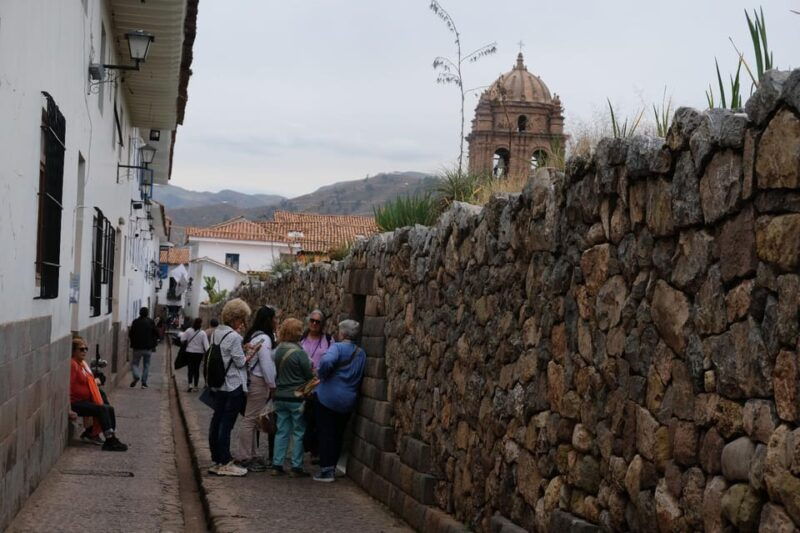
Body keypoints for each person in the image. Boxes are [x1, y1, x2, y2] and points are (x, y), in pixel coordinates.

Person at [312, 319, 366, 482]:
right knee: (338, 434)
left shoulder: (337, 347)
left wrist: (322, 373)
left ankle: (326, 470)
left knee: (326, 432)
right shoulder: (360, 352)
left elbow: (327, 361)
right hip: (348, 399)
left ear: (342, 333)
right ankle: (332, 466)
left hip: (328, 397)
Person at [207, 298, 253, 477]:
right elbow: (240, 362)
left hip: (219, 386)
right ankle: (226, 461)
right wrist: (249, 353)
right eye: (242, 320)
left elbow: (226, 354)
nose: (243, 323)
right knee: (226, 425)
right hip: (233, 386)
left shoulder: (217, 332)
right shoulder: (235, 336)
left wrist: (241, 348)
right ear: (236, 319)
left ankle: (217, 459)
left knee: (216, 421)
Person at [235, 306, 278, 472]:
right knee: (251, 419)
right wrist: (272, 385)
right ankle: (244, 456)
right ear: (268, 320)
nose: (276, 322)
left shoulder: (254, 336)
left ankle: (250, 454)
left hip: (253, 380)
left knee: (251, 419)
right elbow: (266, 364)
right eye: (274, 318)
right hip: (259, 382)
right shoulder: (265, 339)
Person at [271, 318, 313, 477]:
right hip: (296, 397)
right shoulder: (299, 352)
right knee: (298, 431)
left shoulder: (278, 350)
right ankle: (296, 466)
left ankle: (277, 464)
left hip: (280, 396)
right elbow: (308, 374)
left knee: (281, 431)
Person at [70, 336, 128, 452]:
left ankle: (112, 437)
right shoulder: (73, 365)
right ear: (74, 351)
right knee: (102, 409)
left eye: (86, 349)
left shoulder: (83, 365)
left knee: (109, 408)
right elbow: (68, 386)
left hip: (86, 400)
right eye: (81, 349)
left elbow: (90, 380)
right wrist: (68, 409)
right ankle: (109, 440)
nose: (84, 351)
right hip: (76, 402)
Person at [299, 309, 333, 458]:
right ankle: (302, 448)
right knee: (302, 417)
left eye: (317, 321)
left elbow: (332, 360)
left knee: (317, 417)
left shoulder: (329, 340)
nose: (314, 323)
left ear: (322, 324)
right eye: (312, 320)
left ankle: (315, 450)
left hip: (320, 385)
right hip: (302, 384)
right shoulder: (301, 339)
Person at [129, 307, 159, 388]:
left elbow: (131, 334)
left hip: (137, 348)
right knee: (146, 365)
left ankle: (136, 376)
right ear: (147, 313)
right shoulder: (150, 322)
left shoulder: (135, 322)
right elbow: (156, 332)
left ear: (139, 313)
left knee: (135, 364)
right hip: (148, 348)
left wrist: (133, 342)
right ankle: (144, 383)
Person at [180, 317, 209, 392]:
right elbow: (206, 346)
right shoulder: (202, 333)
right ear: (200, 324)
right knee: (196, 369)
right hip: (199, 354)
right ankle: (196, 386)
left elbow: (182, 339)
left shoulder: (189, 330)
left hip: (189, 352)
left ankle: (190, 384)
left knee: (190, 368)